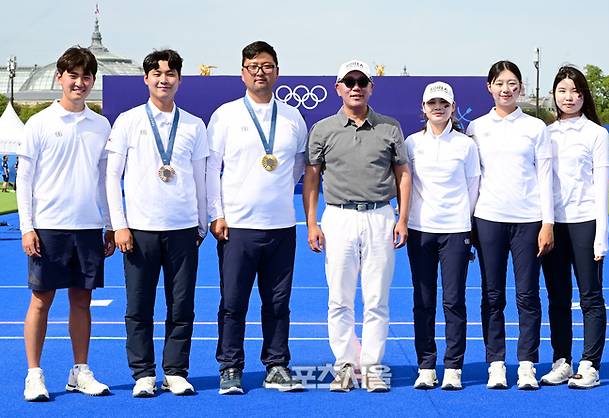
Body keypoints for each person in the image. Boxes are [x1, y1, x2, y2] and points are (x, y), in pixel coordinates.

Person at [303, 59, 412, 392]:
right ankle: (345, 365)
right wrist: (311, 223)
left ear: (370, 87)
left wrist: (402, 218)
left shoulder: (390, 127)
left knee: (377, 297)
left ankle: (374, 364)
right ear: (338, 88)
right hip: (338, 217)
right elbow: (311, 177)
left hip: (380, 216)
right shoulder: (322, 129)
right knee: (340, 297)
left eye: (361, 81)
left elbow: (403, 174)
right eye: (348, 81)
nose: (355, 87)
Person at [106, 49, 208, 397]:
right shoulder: (128, 120)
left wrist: (202, 222)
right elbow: (111, 176)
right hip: (139, 229)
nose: (164, 79)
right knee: (139, 306)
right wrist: (118, 223)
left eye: (170, 74)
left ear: (179, 79)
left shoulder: (194, 124)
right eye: (157, 73)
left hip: (182, 229)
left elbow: (200, 177)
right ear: (146, 78)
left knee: (182, 305)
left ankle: (176, 370)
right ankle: (143, 373)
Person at [207, 41, 307, 395]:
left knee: (278, 302)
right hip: (237, 226)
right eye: (252, 66)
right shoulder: (226, 115)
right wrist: (216, 213)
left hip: (281, 225)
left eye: (266, 65)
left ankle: (277, 364)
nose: (260, 72)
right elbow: (210, 168)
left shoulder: (293, 117)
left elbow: (298, 165)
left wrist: (274, 191)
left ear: (277, 71)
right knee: (233, 302)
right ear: (242, 73)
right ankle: (230, 366)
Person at [16, 46, 114, 402]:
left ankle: (80, 371)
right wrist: (28, 227)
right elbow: (24, 179)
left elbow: (105, 179)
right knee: (41, 300)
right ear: (60, 77)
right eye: (73, 75)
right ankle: (34, 374)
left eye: (86, 77)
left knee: (82, 301)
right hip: (48, 227)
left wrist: (108, 223)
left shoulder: (101, 124)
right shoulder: (40, 122)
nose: (80, 83)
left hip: (88, 227)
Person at [466, 60, 554, 390]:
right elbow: (472, 180)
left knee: (528, 295)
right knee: (492, 295)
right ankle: (497, 362)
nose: (506, 89)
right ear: (489, 87)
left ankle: (528, 363)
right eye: (500, 83)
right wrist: (469, 223)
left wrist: (548, 223)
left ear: (521, 87)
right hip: (488, 219)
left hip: (528, 221)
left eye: (512, 83)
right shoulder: (476, 128)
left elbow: (545, 177)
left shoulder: (535, 128)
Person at [405, 82, 480, 390]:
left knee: (453, 301)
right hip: (419, 230)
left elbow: (472, 187)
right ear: (423, 108)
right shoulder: (411, 143)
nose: (438, 107)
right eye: (432, 103)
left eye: (443, 103)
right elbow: (405, 184)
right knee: (423, 301)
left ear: (452, 107)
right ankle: (426, 365)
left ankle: (453, 366)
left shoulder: (466, 144)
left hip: (455, 231)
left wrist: (464, 222)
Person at [540, 66, 609, 389]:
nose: (569, 97)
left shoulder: (596, 134)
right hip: (554, 225)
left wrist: (601, 235)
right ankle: (562, 361)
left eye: (575, 91)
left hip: (585, 222)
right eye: (563, 91)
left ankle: (590, 363)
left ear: (584, 95)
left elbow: (601, 188)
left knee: (590, 297)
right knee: (556, 296)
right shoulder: (546, 133)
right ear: (554, 94)